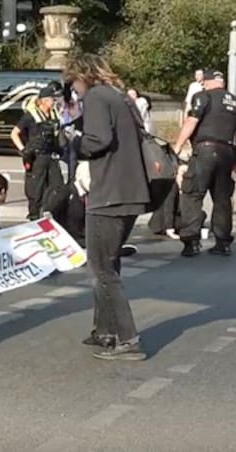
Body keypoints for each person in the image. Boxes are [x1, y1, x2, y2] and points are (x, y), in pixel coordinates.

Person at [65, 53, 149, 361]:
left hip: (109, 193)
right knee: (108, 263)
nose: (74, 89)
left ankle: (127, 338)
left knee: (101, 269)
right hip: (130, 190)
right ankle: (105, 329)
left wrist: (74, 140)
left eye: (73, 81)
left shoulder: (98, 97)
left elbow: (98, 140)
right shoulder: (120, 96)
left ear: (83, 76)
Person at [172, 69, 236, 257]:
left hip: (205, 150)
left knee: (192, 194)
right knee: (222, 199)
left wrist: (178, 146)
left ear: (206, 82)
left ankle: (191, 242)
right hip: (227, 152)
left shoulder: (202, 96)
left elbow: (191, 121)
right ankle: (222, 243)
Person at [10, 83, 65, 220]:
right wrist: (23, 150)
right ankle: (34, 216)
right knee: (36, 190)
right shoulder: (30, 116)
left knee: (58, 187)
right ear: (44, 100)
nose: (55, 101)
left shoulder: (54, 114)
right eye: (53, 99)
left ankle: (51, 213)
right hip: (36, 157)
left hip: (51, 156)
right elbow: (14, 133)